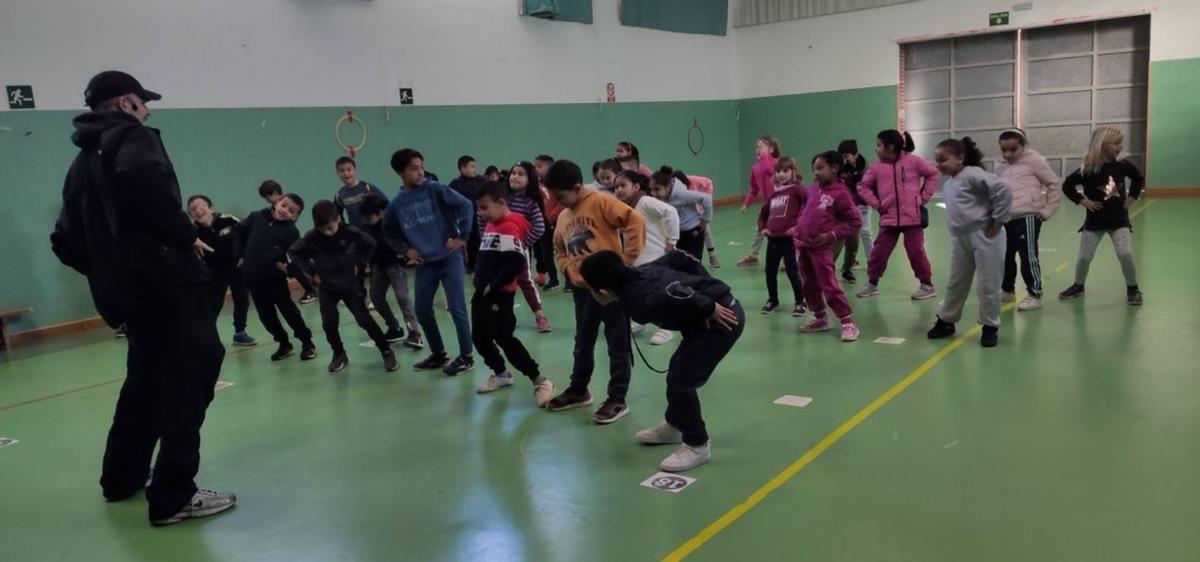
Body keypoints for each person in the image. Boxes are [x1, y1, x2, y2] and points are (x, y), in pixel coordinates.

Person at [51, 70, 233, 525]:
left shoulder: (81, 164)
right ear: (126, 102)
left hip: (127, 297)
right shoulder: (133, 139)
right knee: (192, 376)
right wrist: (183, 234)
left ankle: (123, 477)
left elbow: (64, 241)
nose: (148, 110)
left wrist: (109, 273)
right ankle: (173, 495)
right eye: (143, 102)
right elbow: (142, 180)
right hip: (167, 286)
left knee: (145, 381)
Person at [579, 250, 744, 472]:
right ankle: (675, 425)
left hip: (723, 321)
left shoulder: (640, 300)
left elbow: (671, 292)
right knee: (677, 370)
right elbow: (677, 257)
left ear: (602, 291)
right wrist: (706, 287)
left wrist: (709, 304)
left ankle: (697, 445)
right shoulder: (639, 272)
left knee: (681, 381)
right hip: (703, 322)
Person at [544, 160, 646, 424]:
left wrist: (625, 262)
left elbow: (634, 221)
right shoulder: (564, 218)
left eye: (560, 196)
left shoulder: (601, 202)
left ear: (577, 187)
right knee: (583, 341)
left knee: (618, 344)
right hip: (583, 291)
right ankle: (579, 389)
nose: (558, 203)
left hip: (611, 288)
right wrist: (569, 272)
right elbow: (560, 250)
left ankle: (617, 398)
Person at [382, 148, 476, 375]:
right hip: (426, 263)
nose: (420, 172)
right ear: (400, 172)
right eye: (414, 169)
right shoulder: (396, 205)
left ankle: (466, 355)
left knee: (457, 308)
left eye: (421, 167)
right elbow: (390, 234)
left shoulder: (435, 189)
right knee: (422, 310)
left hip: (449, 258)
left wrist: (462, 237)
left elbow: (466, 205)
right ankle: (438, 353)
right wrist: (406, 250)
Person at [470, 182, 558, 404]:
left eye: (484, 207)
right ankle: (501, 374)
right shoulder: (493, 223)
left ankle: (540, 380)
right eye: (478, 208)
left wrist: (494, 285)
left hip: (499, 295)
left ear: (501, 204)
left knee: (504, 338)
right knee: (479, 336)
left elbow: (516, 261)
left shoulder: (510, 225)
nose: (481, 213)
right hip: (483, 292)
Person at [289, 200, 398, 372]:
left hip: (349, 284)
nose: (328, 232)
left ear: (338, 219)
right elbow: (294, 252)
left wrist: (360, 263)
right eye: (324, 229)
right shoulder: (312, 237)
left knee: (364, 320)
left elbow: (370, 244)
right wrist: (311, 272)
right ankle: (339, 353)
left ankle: (386, 350)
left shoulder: (349, 232)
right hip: (326, 287)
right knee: (329, 323)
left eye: (331, 227)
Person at [926, 138, 1013, 348]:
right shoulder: (949, 183)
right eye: (936, 161)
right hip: (961, 238)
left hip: (985, 235)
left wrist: (999, 220)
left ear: (960, 158)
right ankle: (947, 320)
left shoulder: (972, 174)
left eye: (943, 160)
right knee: (956, 281)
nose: (939, 165)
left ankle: (990, 326)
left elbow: (1003, 190)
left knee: (988, 283)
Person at [1057, 127, 1145, 305]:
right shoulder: (1088, 169)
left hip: (1119, 220)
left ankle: (1133, 289)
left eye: (1121, 143)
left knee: (1125, 254)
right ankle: (1078, 286)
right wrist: (1084, 201)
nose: (1120, 147)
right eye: (1116, 143)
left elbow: (1138, 178)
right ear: (1102, 145)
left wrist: (1131, 198)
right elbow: (1067, 186)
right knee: (1084, 257)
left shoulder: (1123, 165)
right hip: (1095, 221)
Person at [855, 130, 940, 300]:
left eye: (879, 145)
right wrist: (877, 204)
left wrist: (924, 197)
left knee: (916, 252)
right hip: (888, 219)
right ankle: (872, 284)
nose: (876, 148)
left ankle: (927, 285)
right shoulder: (876, 167)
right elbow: (862, 187)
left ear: (891, 147)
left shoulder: (913, 162)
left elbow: (933, 174)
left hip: (913, 219)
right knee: (879, 253)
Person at [794, 152, 864, 342]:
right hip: (804, 245)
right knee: (808, 283)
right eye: (814, 169)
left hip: (821, 248)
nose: (815, 173)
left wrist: (830, 235)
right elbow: (806, 209)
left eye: (820, 168)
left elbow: (855, 221)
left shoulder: (841, 194)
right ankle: (820, 317)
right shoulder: (814, 188)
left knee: (828, 284)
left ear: (834, 168)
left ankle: (847, 321)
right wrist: (799, 229)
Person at [241, 192, 316, 361]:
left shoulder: (291, 232)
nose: (285, 210)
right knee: (266, 317)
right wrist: (240, 254)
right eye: (283, 205)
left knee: (289, 312)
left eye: (291, 210)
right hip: (253, 278)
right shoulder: (256, 217)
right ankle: (283, 343)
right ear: (277, 202)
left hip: (275, 279)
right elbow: (240, 232)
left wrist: (287, 268)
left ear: (295, 217)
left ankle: (307, 342)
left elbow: (295, 255)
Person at [994, 128, 1061, 311]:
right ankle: (1007, 290)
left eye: (1013, 149)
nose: (1008, 154)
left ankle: (1034, 294)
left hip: (1027, 217)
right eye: (1004, 150)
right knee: (1004, 256)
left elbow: (1053, 184)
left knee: (1028, 256)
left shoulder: (1035, 161)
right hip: (1005, 218)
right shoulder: (999, 166)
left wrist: (1047, 210)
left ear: (1023, 146)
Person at [613, 170, 680, 346]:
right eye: (616, 187)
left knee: (659, 293)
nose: (619, 190)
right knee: (639, 293)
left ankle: (666, 329)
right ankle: (640, 321)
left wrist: (672, 239)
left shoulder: (645, 202)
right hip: (637, 260)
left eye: (623, 185)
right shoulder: (624, 208)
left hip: (656, 257)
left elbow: (671, 211)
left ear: (635, 187)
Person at [187, 195, 256, 347]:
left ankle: (240, 332)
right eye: (193, 209)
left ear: (211, 208)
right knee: (213, 305)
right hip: (213, 272)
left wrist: (244, 255)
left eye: (201, 206)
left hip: (236, 268)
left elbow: (248, 235)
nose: (198, 210)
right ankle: (209, 336)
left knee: (242, 300)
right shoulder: (192, 232)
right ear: (190, 214)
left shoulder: (229, 220)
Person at [361, 194, 424, 350]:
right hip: (378, 265)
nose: (368, 220)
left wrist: (407, 257)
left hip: (395, 264)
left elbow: (405, 241)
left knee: (402, 297)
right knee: (375, 296)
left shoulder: (392, 224)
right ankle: (394, 327)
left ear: (380, 213)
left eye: (370, 217)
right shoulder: (370, 228)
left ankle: (414, 333)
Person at [505, 162, 552, 332]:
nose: (515, 176)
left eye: (520, 174)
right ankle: (505, 317)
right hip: (498, 252)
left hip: (518, 251)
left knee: (525, 281)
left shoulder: (530, 203)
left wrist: (522, 244)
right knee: (502, 283)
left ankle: (540, 316)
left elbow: (539, 227)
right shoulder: (502, 199)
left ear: (529, 180)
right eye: (513, 173)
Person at [756, 157, 806, 316]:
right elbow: (763, 214)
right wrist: (763, 228)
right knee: (770, 271)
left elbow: (809, 207)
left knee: (793, 271)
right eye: (778, 171)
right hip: (773, 240)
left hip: (790, 241)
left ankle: (800, 300)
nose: (781, 174)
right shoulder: (774, 195)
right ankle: (772, 299)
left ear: (793, 172)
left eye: (785, 171)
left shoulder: (798, 190)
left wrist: (798, 226)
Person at [259, 180, 317, 304]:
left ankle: (311, 290)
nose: (268, 201)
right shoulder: (269, 212)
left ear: (275, 193)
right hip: (280, 248)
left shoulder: (285, 212)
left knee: (295, 266)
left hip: (288, 246)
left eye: (268, 197)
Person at [649, 166, 712, 261]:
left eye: (657, 189)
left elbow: (706, 199)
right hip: (678, 232)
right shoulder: (661, 198)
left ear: (667, 187)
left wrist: (706, 219)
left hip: (693, 231)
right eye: (651, 190)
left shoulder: (681, 194)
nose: (653, 193)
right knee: (679, 261)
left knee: (693, 262)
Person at [737, 135, 781, 266]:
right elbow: (754, 189)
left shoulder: (778, 163)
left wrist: (765, 158)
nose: (757, 149)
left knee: (781, 233)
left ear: (771, 149)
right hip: (767, 205)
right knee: (759, 230)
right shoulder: (755, 168)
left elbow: (770, 171)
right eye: (756, 147)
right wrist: (746, 203)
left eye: (761, 146)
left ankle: (787, 259)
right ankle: (753, 255)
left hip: (781, 204)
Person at [836, 139, 872, 283]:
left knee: (866, 232)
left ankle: (872, 261)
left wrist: (863, 199)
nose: (844, 160)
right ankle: (851, 263)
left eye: (846, 156)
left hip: (862, 203)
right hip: (846, 205)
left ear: (855, 154)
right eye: (842, 157)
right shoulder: (839, 168)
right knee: (847, 235)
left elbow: (868, 188)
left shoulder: (866, 168)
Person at [450, 155, 487, 272]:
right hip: (464, 219)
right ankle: (470, 265)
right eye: (472, 167)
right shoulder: (455, 184)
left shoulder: (481, 181)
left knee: (481, 241)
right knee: (468, 241)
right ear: (463, 168)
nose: (474, 169)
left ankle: (482, 264)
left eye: (474, 166)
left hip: (481, 217)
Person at [533, 154, 562, 290]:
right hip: (543, 223)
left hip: (557, 223)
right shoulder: (536, 186)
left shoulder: (557, 184)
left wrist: (553, 216)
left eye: (539, 166)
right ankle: (553, 279)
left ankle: (569, 281)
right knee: (546, 252)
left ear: (550, 168)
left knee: (563, 251)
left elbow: (561, 202)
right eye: (535, 166)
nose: (536, 169)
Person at [333, 156, 381, 230]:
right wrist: (345, 228)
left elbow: (386, 204)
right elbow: (337, 216)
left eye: (349, 170)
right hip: (356, 234)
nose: (346, 173)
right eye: (342, 171)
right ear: (337, 173)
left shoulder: (368, 187)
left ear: (354, 170)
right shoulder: (339, 196)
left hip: (375, 231)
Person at [685, 173, 721, 268]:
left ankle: (712, 256)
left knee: (705, 229)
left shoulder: (693, 180)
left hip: (697, 208)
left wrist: (707, 199)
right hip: (684, 211)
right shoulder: (672, 189)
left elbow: (708, 183)